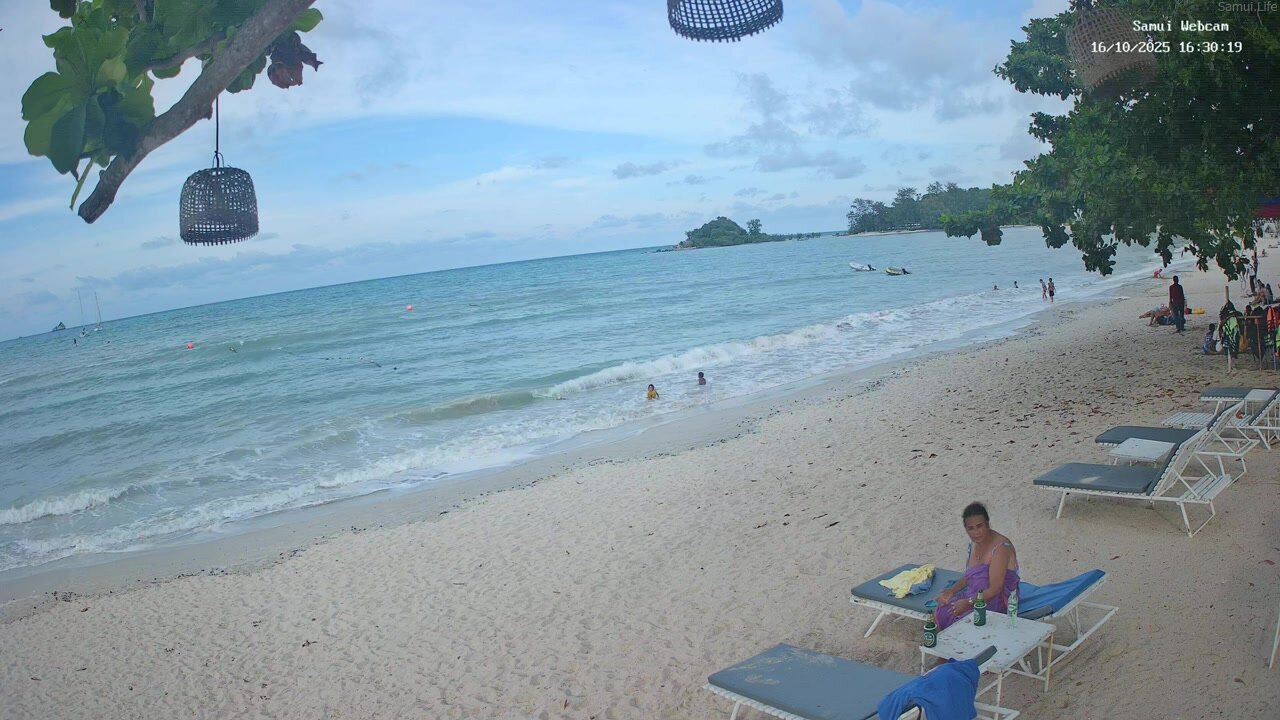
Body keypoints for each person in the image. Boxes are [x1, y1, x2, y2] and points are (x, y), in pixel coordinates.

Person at [933, 502, 1020, 631]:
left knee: (966, 622)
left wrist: (968, 603)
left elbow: (996, 589)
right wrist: (952, 590)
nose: (976, 532)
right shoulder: (973, 544)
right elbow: (970, 576)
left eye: (979, 526)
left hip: (997, 600)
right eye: (971, 528)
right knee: (944, 610)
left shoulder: (1001, 547)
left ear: (987, 524)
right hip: (975, 594)